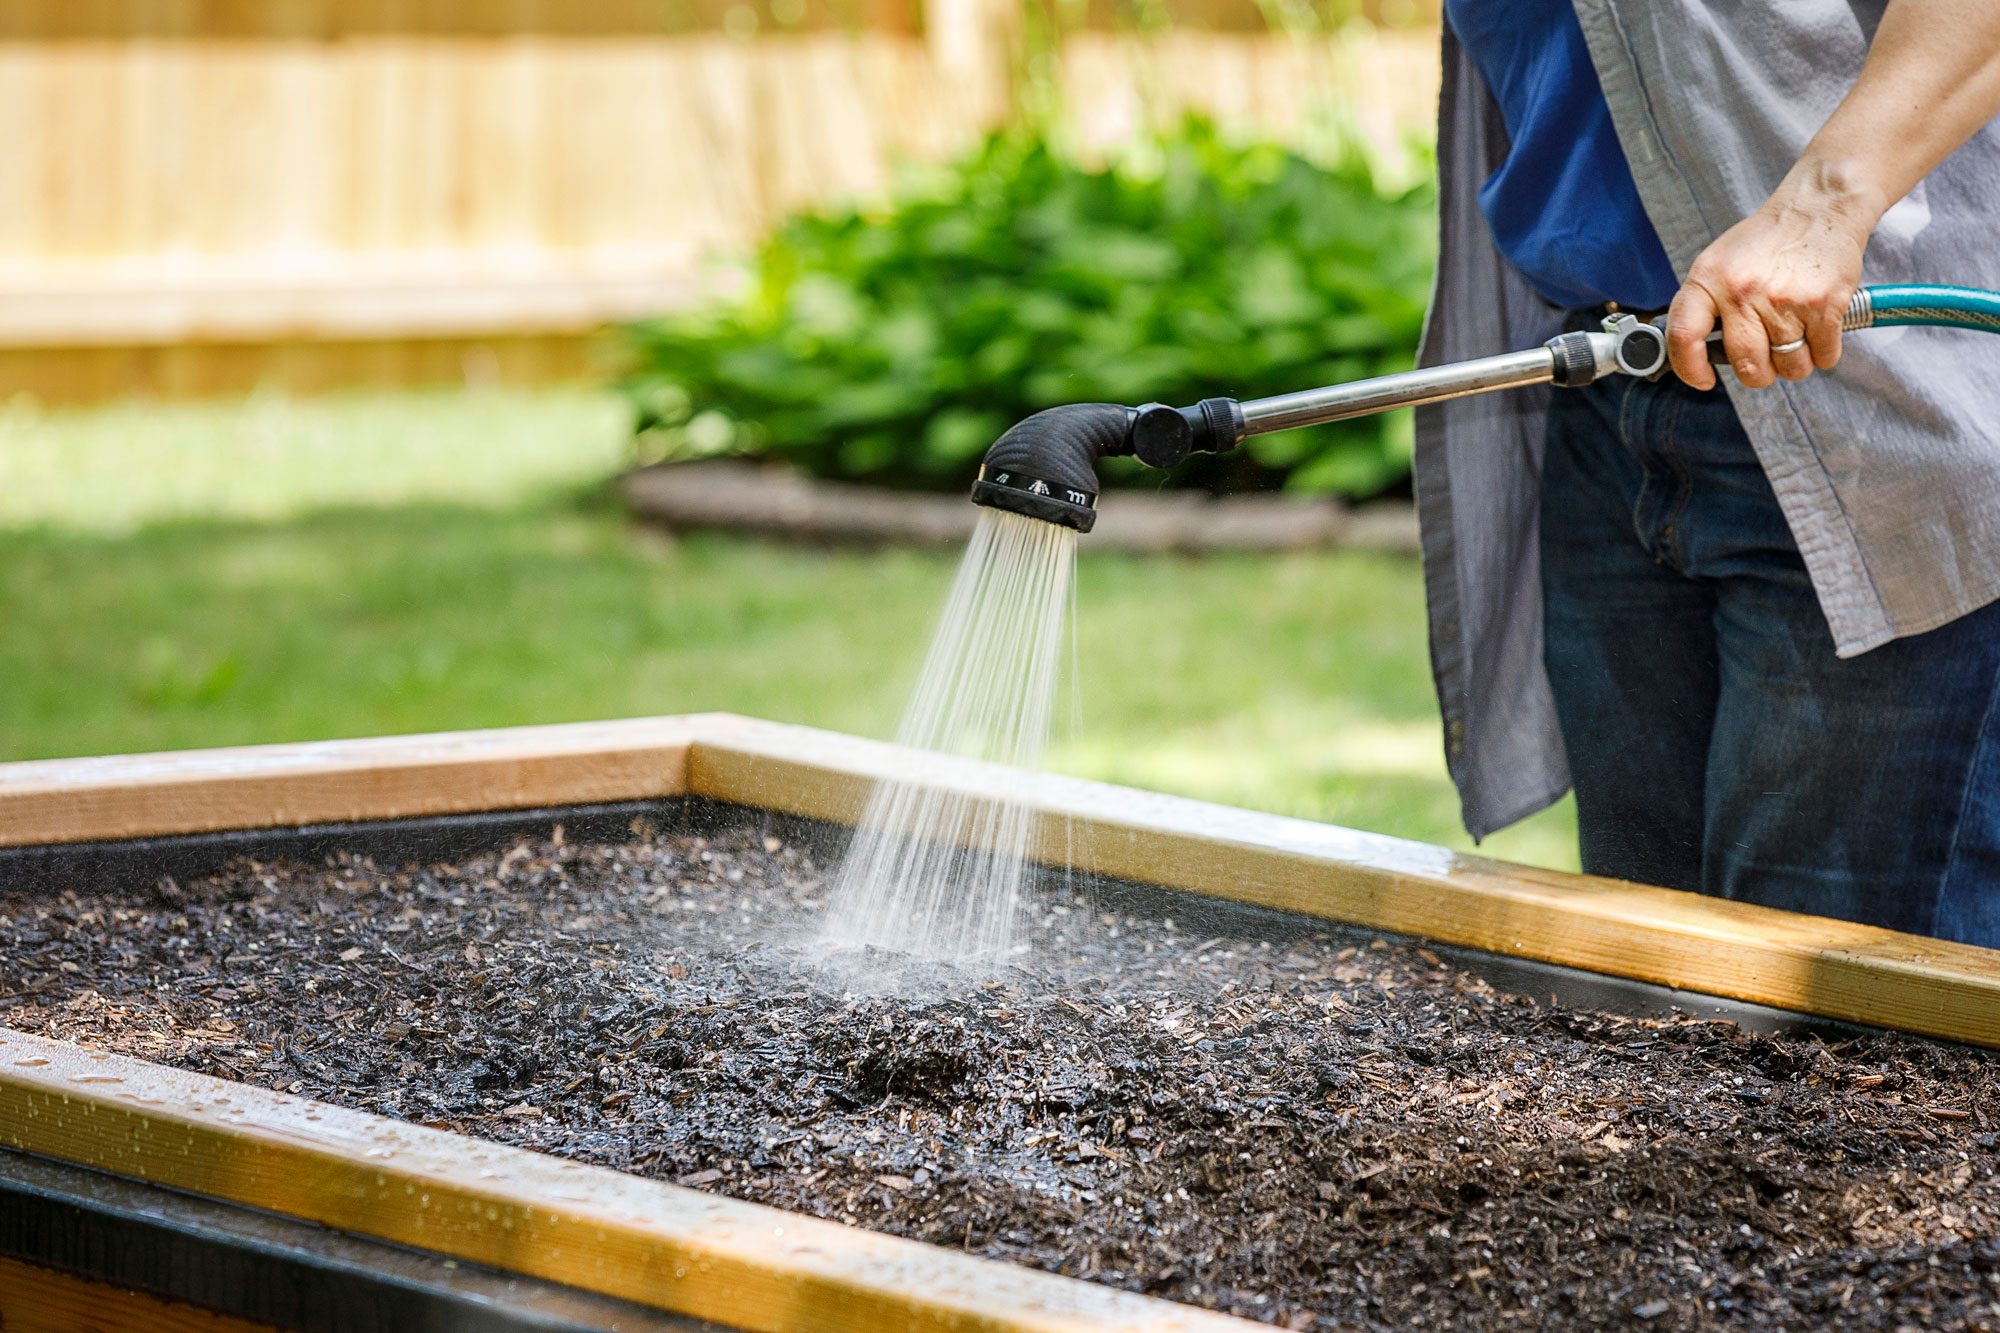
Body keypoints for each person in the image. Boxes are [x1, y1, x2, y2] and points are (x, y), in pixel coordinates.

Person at [1415, 3, 2000, 943]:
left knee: (1831, 1022)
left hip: (1867, 395)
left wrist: (1825, 204)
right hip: (1605, 390)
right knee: (1653, 983)